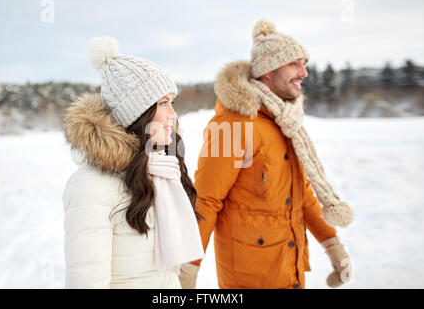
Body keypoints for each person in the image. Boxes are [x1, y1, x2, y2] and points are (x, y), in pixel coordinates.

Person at [179, 19, 354, 289]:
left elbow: (302, 196)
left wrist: (333, 247)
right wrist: (187, 271)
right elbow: (206, 200)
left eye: (304, 63)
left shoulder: (285, 122)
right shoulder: (232, 125)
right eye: (294, 63)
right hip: (249, 279)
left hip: (290, 272)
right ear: (268, 71)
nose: (304, 73)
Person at [62, 36, 204, 288]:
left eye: (172, 103)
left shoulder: (162, 171)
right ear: (137, 114)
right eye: (163, 104)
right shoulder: (91, 186)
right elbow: (87, 281)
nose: (173, 115)